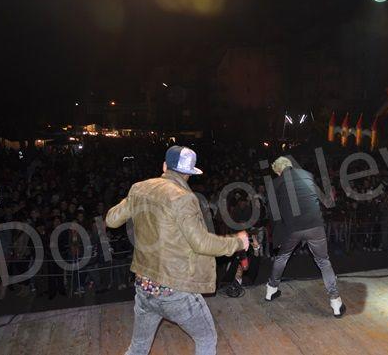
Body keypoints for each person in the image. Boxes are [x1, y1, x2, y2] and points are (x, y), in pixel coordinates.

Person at [106, 146, 249, 355]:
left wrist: (134, 198)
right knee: (206, 339)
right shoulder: (183, 198)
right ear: (189, 173)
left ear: (165, 166)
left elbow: (111, 219)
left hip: (144, 286)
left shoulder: (139, 188)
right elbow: (201, 243)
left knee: (138, 348)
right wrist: (237, 242)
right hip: (174, 290)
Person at [265, 156, 345, 317]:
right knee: (323, 261)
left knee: (282, 257)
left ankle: (271, 290)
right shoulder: (307, 175)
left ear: (279, 171)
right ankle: (335, 301)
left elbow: (274, 214)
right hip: (314, 225)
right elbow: (326, 201)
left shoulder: (275, 183)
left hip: (292, 228)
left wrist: (278, 235)